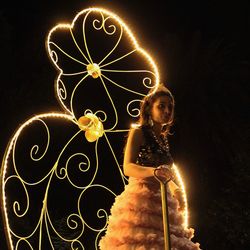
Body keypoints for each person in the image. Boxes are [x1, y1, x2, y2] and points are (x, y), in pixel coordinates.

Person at [99, 84, 201, 249]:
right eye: (161, 106)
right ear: (149, 109)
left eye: (170, 107)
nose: (167, 111)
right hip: (142, 200)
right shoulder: (139, 132)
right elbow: (128, 167)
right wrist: (153, 172)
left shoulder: (163, 139)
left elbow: (165, 173)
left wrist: (175, 189)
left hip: (164, 200)